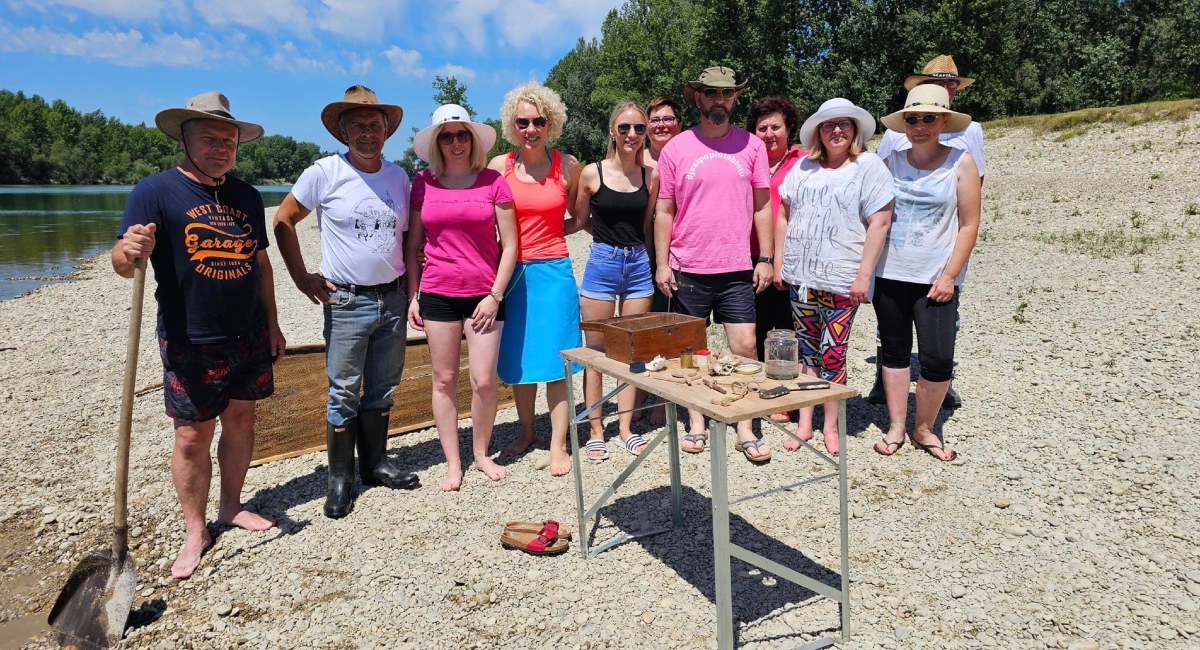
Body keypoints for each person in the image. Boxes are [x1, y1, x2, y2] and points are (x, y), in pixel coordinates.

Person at [112, 91, 283, 579]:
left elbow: (260, 263)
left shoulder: (247, 195)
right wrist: (129, 249)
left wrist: (272, 323)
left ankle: (230, 507)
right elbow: (124, 265)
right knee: (191, 435)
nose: (220, 146)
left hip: (248, 333)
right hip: (191, 337)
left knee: (242, 419)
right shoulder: (155, 191)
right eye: (209, 137)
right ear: (184, 138)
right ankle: (195, 530)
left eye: (228, 139)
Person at [273, 85, 420, 520]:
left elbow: (408, 235)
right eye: (357, 125)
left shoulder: (399, 177)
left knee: (383, 386)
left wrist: (413, 287)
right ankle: (340, 479)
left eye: (374, 124)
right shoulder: (324, 172)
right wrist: (302, 278)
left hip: (392, 298)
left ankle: (375, 464)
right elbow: (283, 221)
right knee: (342, 390)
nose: (367, 132)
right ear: (342, 130)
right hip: (346, 301)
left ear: (386, 130)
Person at [655, 66, 775, 463]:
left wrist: (766, 257)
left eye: (726, 94)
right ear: (698, 98)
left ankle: (744, 425)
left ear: (735, 98)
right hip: (688, 266)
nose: (718, 101)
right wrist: (662, 263)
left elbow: (762, 206)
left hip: (737, 267)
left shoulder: (752, 147)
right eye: (710, 94)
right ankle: (697, 422)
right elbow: (664, 210)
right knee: (692, 351)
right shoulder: (677, 148)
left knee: (744, 346)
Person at [404, 104, 519, 490]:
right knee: (444, 380)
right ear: (438, 142)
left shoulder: (493, 181)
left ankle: (481, 453)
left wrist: (495, 295)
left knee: (484, 381)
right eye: (447, 136)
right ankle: (454, 462)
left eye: (462, 134)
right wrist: (414, 295)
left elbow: (510, 247)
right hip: (437, 293)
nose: (456, 142)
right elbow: (414, 244)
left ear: (473, 140)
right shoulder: (422, 182)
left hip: (484, 295)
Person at [774, 98, 895, 457]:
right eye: (829, 125)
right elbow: (783, 213)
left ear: (855, 129)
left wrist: (864, 275)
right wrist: (781, 260)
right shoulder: (803, 167)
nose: (836, 131)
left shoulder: (869, 166)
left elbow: (880, 221)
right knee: (806, 351)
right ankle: (805, 423)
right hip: (803, 279)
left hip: (842, 281)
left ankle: (831, 426)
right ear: (819, 132)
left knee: (833, 353)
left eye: (844, 124)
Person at [871, 85, 980, 462]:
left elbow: (969, 225)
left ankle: (925, 428)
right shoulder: (889, 162)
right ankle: (898, 425)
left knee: (937, 359)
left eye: (929, 118)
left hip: (936, 277)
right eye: (912, 119)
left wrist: (950, 275)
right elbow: (873, 216)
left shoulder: (961, 162)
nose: (919, 125)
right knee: (896, 353)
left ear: (944, 121)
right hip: (890, 274)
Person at [489, 82, 585, 477]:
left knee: (559, 360)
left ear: (551, 123)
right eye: (523, 121)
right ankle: (527, 432)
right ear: (513, 125)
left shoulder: (569, 165)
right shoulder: (499, 166)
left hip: (556, 273)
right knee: (520, 360)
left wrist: (550, 233)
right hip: (512, 276)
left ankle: (558, 444)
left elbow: (578, 217)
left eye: (539, 121)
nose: (531, 128)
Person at [573, 100, 659, 460]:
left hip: (639, 263)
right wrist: (608, 243)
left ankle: (624, 427)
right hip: (603, 262)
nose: (632, 135)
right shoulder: (593, 174)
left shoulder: (650, 176)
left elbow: (648, 224)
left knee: (631, 351)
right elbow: (579, 220)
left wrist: (654, 262)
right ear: (612, 131)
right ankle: (595, 430)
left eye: (639, 129)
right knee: (595, 351)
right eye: (624, 128)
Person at [745, 96, 806, 432]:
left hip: (791, 254)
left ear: (789, 129)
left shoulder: (804, 159)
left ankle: (785, 390)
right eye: (761, 127)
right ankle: (759, 388)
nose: (768, 133)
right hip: (749, 253)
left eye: (775, 127)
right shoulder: (748, 158)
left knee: (785, 325)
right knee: (753, 324)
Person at [643, 96, 684, 169]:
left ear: (679, 126)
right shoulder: (635, 161)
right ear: (647, 127)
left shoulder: (690, 160)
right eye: (655, 120)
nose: (661, 125)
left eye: (668, 119)